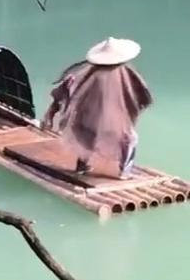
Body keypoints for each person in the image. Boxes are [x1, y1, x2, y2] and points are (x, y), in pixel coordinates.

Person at [41, 37, 153, 179]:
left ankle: (82, 166)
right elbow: (142, 95)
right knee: (130, 139)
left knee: (87, 138)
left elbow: (62, 93)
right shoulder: (126, 73)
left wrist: (50, 114)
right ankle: (124, 172)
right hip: (114, 123)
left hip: (87, 120)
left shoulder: (83, 74)